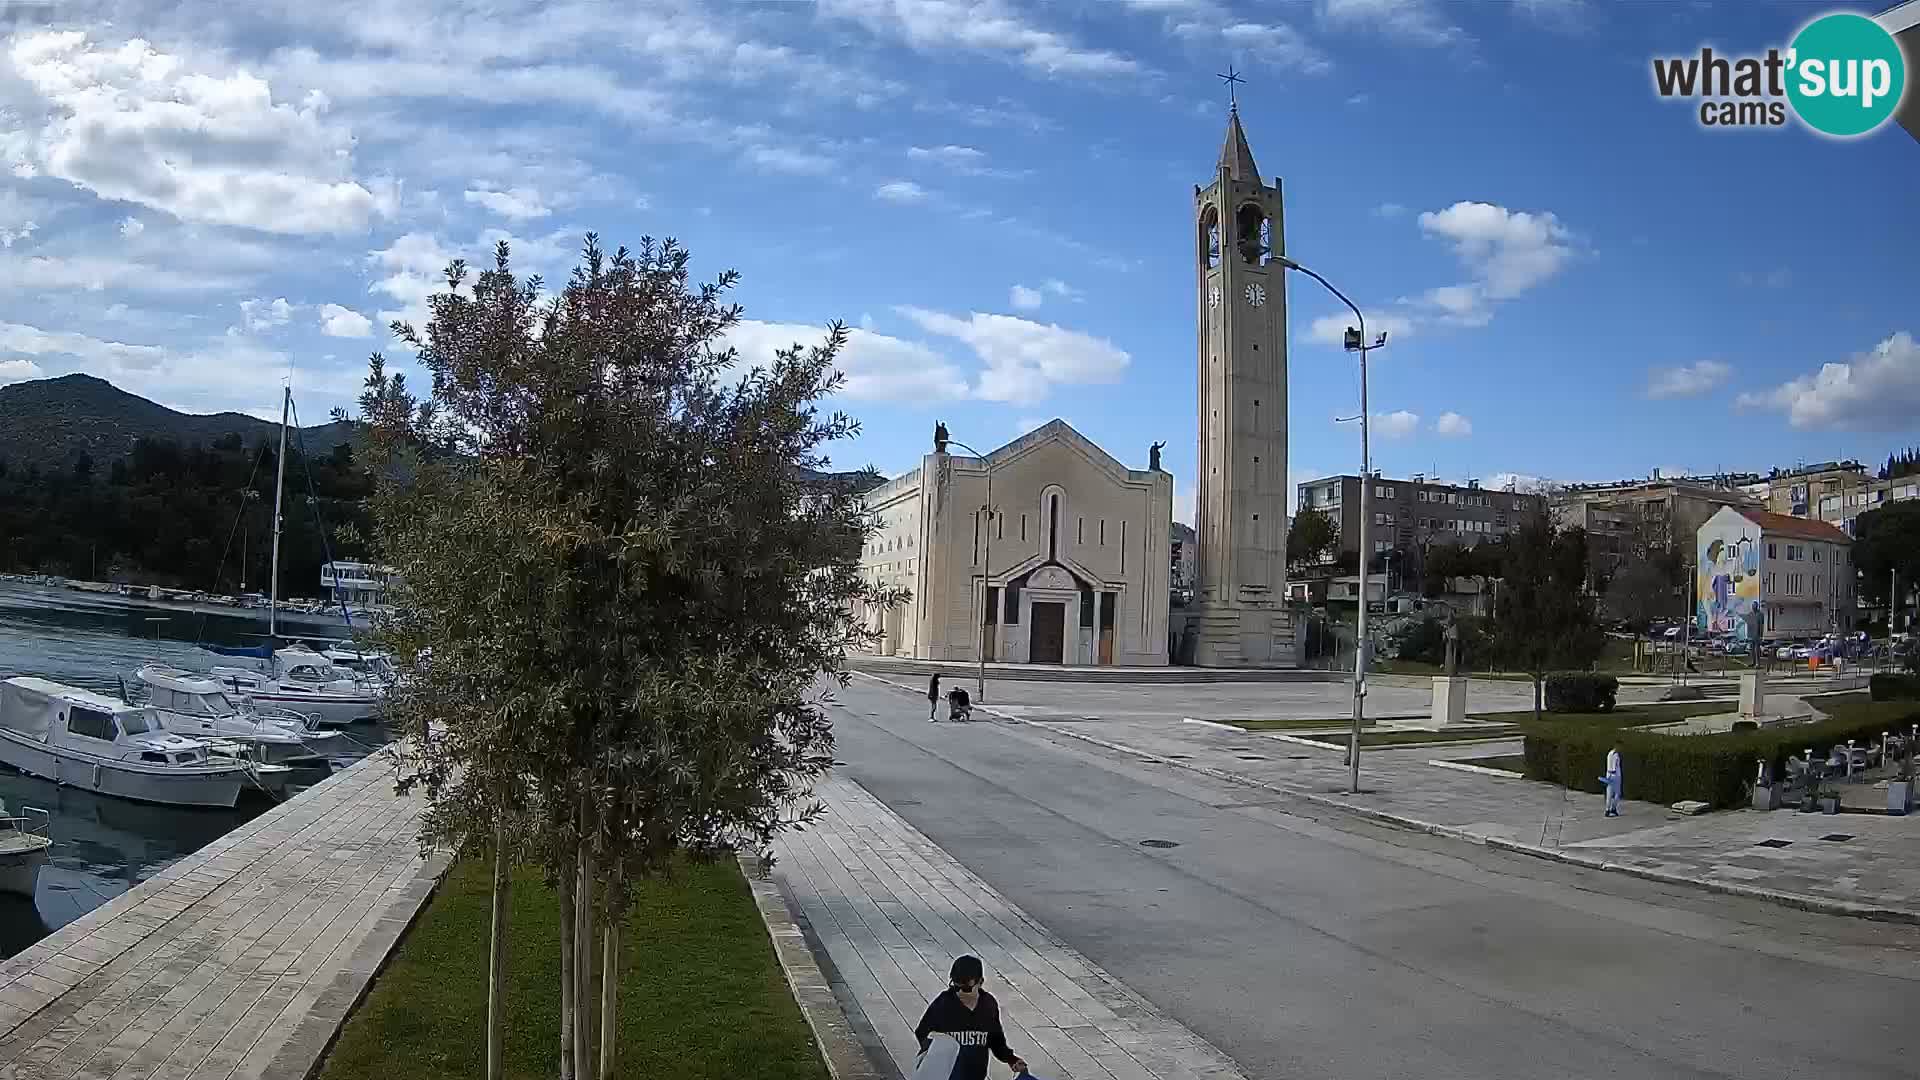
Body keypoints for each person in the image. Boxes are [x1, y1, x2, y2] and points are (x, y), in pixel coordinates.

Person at [914, 955, 1026, 1080]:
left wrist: (1011, 1059)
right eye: (956, 986)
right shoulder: (943, 1004)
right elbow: (921, 1032)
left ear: (980, 982)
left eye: (966, 988)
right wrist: (936, 1055)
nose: (960, 991)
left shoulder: (988, 1005)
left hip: (975, 1074)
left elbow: (995, 1040)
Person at [1600, 745, 1622, 817]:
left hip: (1609, 775)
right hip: (1615, 776)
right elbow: (1613, 768)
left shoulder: (1609, 753)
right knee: (1617, 793)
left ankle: (1607, 810)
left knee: (1609, 793)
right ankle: (1613, 808)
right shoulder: (1615, 755)